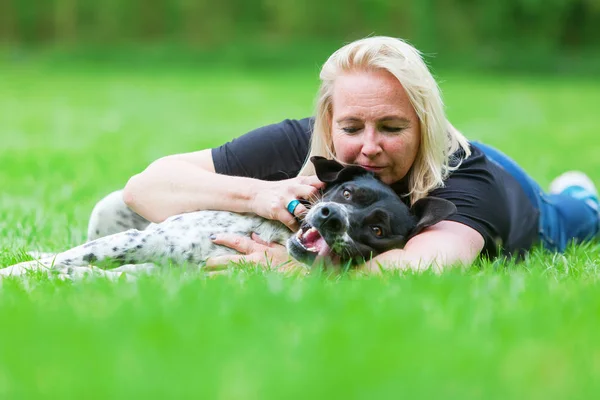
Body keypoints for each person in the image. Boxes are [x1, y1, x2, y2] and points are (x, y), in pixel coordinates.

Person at [116, 36, 599, 273]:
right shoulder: (304, 139)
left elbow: (423, 266)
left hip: (531, 208)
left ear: (425, 124)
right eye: (352, 127)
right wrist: (261, 196)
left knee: (581, 211)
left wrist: (290, 268)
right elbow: (146, 189)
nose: (369, 146)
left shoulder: (465, 181)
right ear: (329, 120)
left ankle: (577, 188)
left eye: (392, 127)